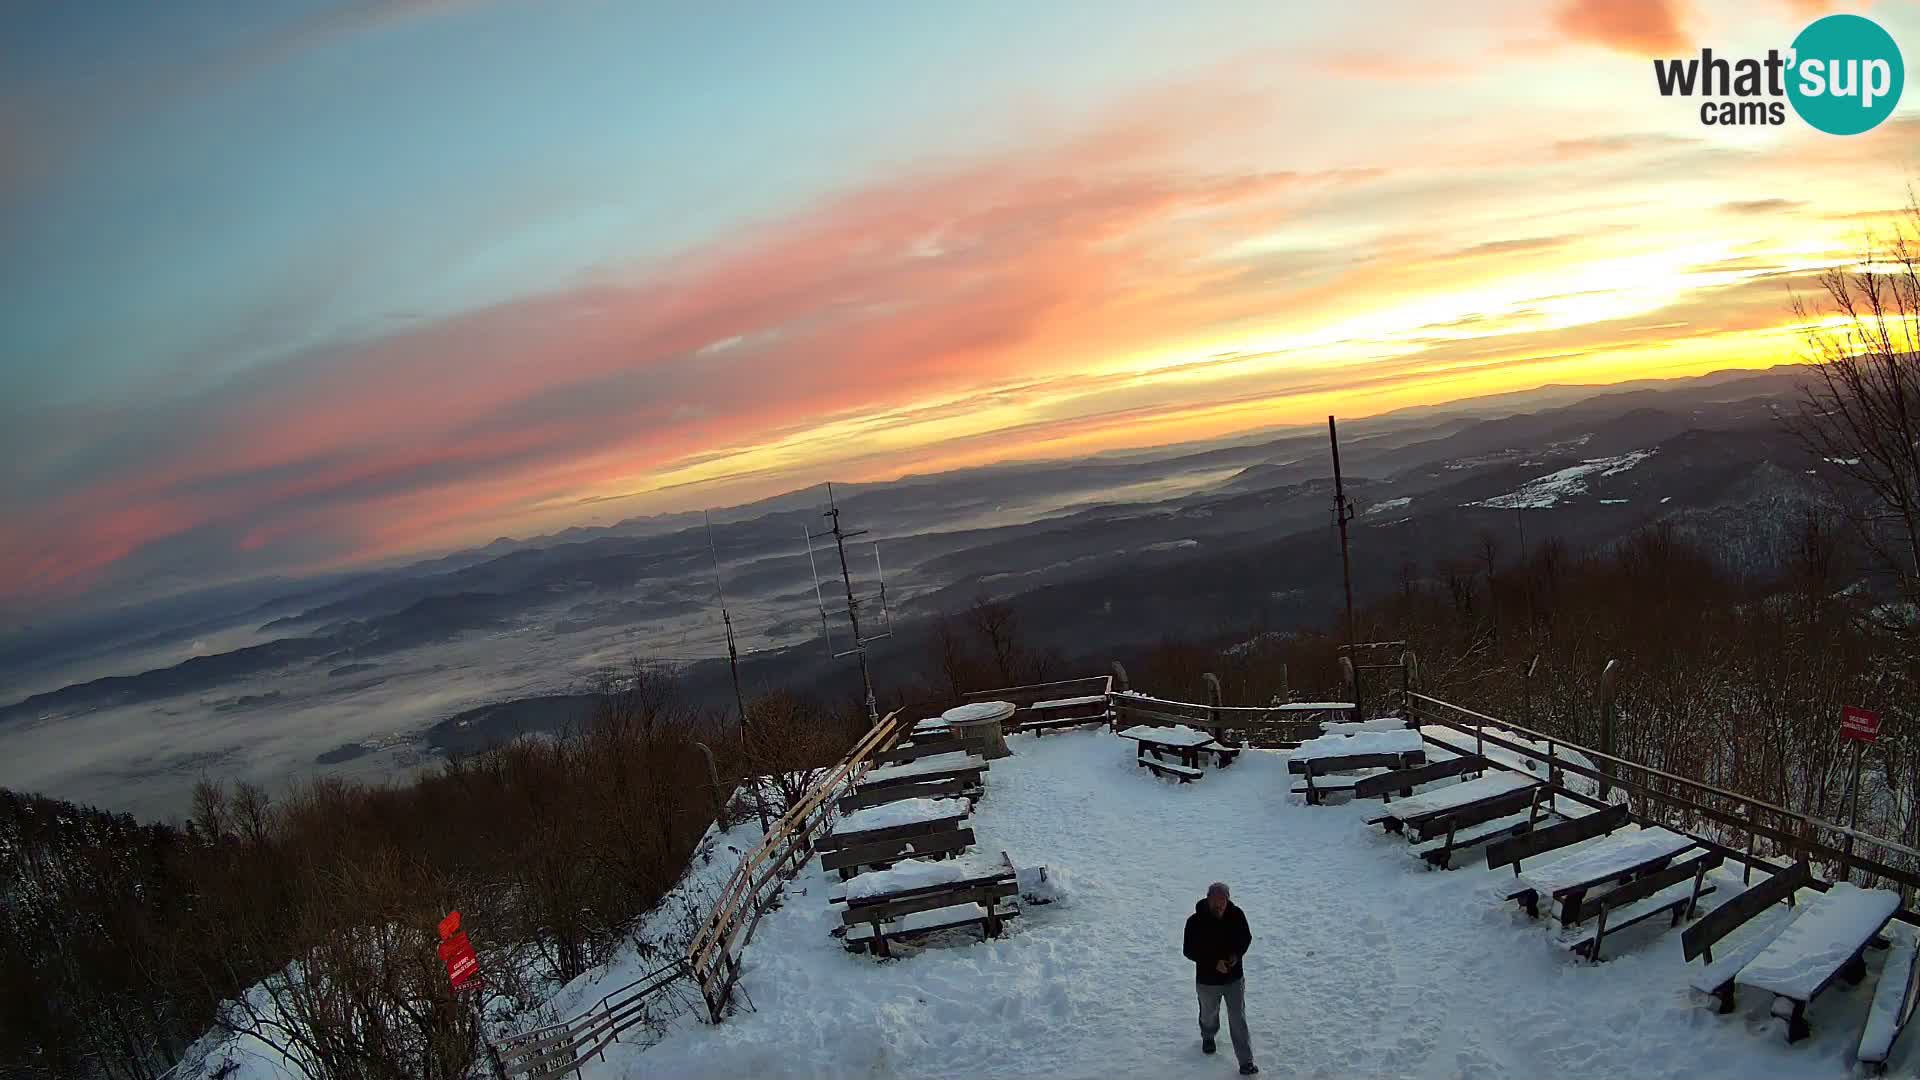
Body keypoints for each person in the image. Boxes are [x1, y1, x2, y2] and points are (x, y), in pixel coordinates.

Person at [1182, 881, 1257, 1075]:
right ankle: (1208, 1035)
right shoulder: (1195, 921)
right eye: (1215, 901)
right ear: (1207, 900)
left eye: (1222, 901)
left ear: (1228, 900)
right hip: (1207, 981)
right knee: (1209, 1013)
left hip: (1234, 979)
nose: (1219, 905)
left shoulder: (1237, 915)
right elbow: (1189, 950)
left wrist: (1235, 955)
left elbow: (1245, 938)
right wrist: (1214, 962)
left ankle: (1246, 1061)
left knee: (1238, 1018)